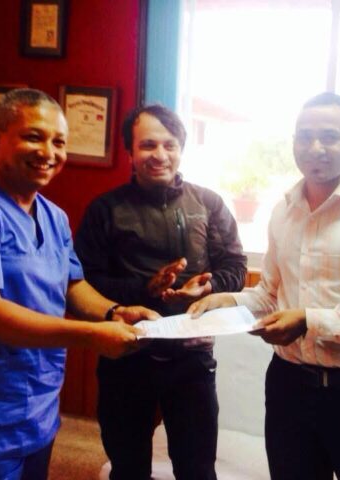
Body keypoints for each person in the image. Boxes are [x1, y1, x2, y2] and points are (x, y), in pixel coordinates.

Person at [0, 88, 158, 480]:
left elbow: (72, 286)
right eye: (34, 137)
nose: (48, 152)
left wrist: (115, 312)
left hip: (37, 405)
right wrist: (92, 336)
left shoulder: (54, 217)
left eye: (58, 142)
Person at [190, 92, 340, 480]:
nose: (316, 148)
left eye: (330, 136)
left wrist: (308, 321)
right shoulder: (283, 211)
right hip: (289, 387)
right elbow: (270, 294)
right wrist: (226, 300)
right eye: (305, 136)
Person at [74, 104, 247, 480]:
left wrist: (206, 287)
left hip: (191, 358)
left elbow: (236, 268)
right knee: (127, 467)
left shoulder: (209, 204)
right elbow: (84, 280)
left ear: (181, 149)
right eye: (148, 145)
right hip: (125, 353)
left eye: (170, 145)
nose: (160, 155)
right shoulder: (105, 209)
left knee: (197, 468)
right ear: (130, 152)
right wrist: (145, 288)